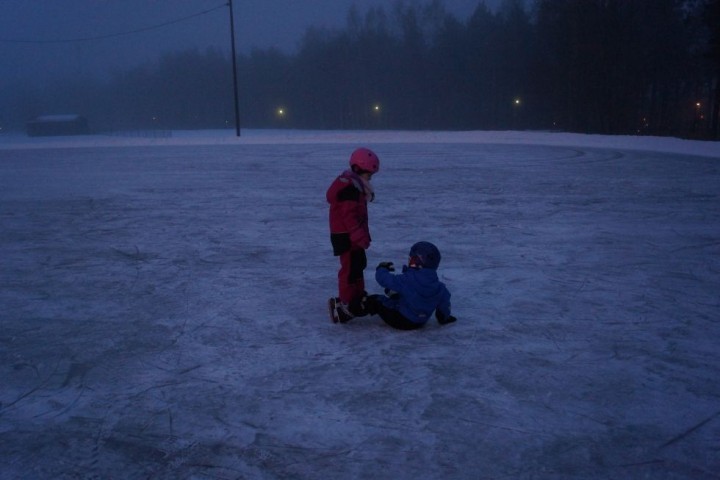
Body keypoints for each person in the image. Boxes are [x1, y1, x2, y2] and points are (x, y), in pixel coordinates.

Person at [327, 147, 380, 323]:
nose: (370, 178)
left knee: (358, 265)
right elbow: (349, 217)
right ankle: (345, 304)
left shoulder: (356, 186)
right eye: (368, 175)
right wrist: (359, 236)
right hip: (346, 236)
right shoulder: (349, 188)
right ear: (358, 169)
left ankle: (357, 295)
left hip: (353, 236)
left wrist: (362, 235)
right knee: (349, 270)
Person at [365, 241, 456, 330]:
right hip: (420, 322)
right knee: (400, 292)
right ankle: (394, 295)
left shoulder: (407, 279)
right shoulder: (439, 287)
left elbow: (384, 279)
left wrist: (382, 268)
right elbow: (444, 306)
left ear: (415, 260)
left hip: (400, 320)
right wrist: (443, 318)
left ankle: (354, 309)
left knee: (376, 300)